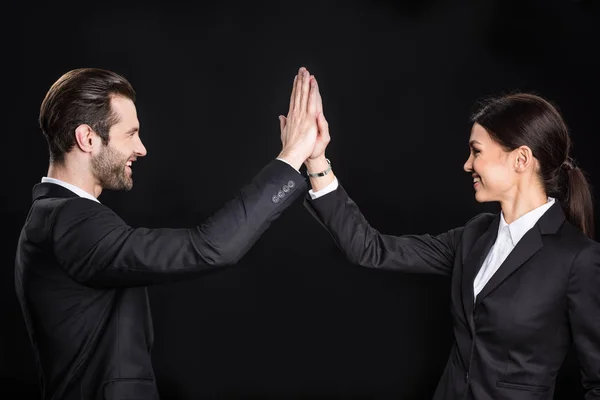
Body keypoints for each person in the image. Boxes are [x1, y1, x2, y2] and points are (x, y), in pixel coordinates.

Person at [14, 66, 321, 400]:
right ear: (87, 138)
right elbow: (209, 248)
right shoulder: (70, 221)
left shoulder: (52, 218)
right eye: (130, 134)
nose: (142, 148)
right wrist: (292, 157)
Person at [300, 90, 600, 399]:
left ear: (521, 159)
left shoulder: (578, 258)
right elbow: (370, 249)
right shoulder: (474, 235)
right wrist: (316, 161)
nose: (467, 164)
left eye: (476, 151)